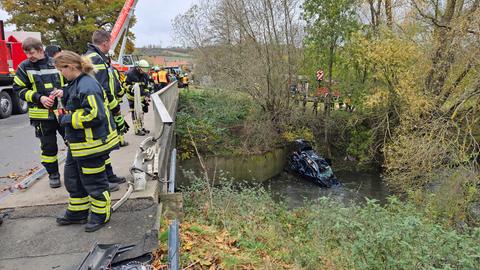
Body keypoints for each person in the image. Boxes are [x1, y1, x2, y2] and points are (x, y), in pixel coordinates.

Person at [53, 50, 118, 232]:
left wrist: (66, 118)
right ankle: (78, 212)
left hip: (92, 145)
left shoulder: (87, 86)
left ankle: (101, 214)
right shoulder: (76, 83)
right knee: (73, 179)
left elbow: (95, 115)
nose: (60, 73)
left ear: (70, 67)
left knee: (94, 182)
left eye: (61, 69)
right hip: (79, 144)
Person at [13, 37, 66, 188]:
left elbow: (70, 81)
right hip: (41, 116)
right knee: (48, 147)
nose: (29, 57)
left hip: (62, 112)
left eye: (32, 53)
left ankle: (76, 171)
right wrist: (39, 98)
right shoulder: (24, 67)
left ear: (41, 50)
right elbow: (19, 89)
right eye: (26, 54)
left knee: (73, 141)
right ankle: (53, 175)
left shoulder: (56, 62)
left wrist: (63, 91)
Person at [85, 30, 126, 187]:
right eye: (110, 42)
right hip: (101, 107)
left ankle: (108, 175)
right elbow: (102, 88)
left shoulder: (95, 57)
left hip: (101, 107)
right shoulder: (95, 59)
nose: (110, 45)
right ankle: (104, 180)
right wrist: (115, 108)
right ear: (105, 42)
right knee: (101, 143)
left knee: (105, 144)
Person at [124, 59, 152, 136]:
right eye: (142, 70)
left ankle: (142, 127)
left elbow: (146, 87)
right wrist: (132, 88)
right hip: (132, 97)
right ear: (138, 68)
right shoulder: (130, 74)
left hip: (142, 97)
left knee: (142, 112)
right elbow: (124, 84)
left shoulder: (145, 75)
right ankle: (137, 129)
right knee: (135, 112)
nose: (144, 72)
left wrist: (147, 95)